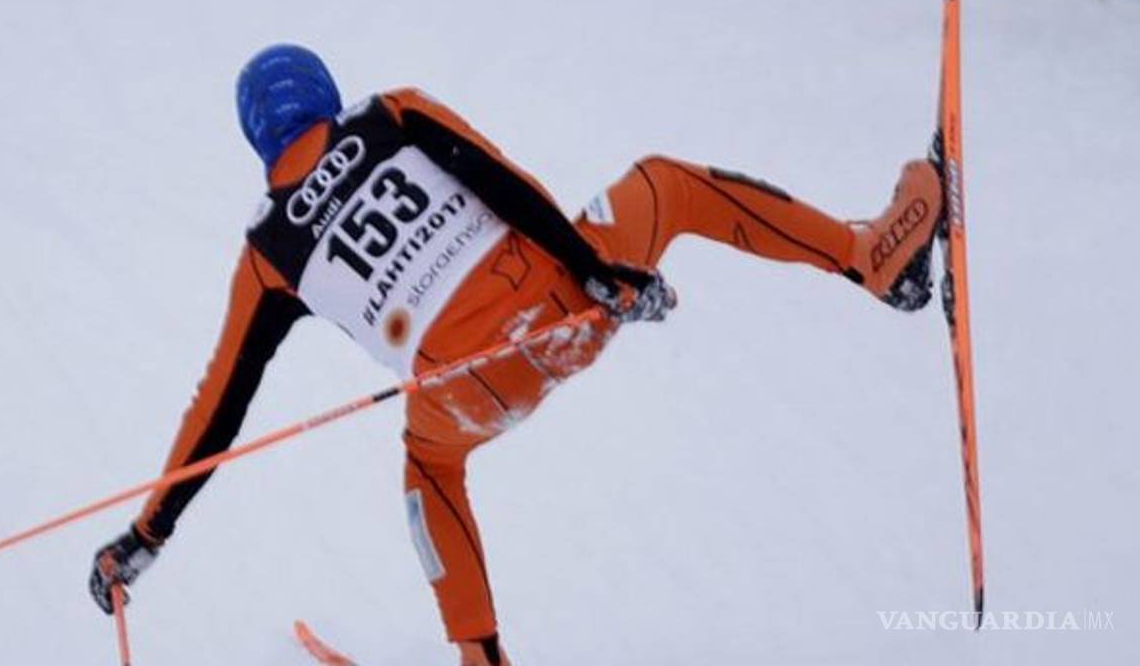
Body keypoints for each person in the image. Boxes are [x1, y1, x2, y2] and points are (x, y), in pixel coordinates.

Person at [88, 43, 941, 665]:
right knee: (665, 185)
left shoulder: (266, 254)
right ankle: (872, 259)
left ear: (259, 144)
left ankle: (481, 654)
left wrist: (146, 536)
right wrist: (600, 273)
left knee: (427, 470)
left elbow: (219, 408)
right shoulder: (391, 113)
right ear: (326, 94)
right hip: (562, 308)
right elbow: (503, 181)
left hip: (469, 393)